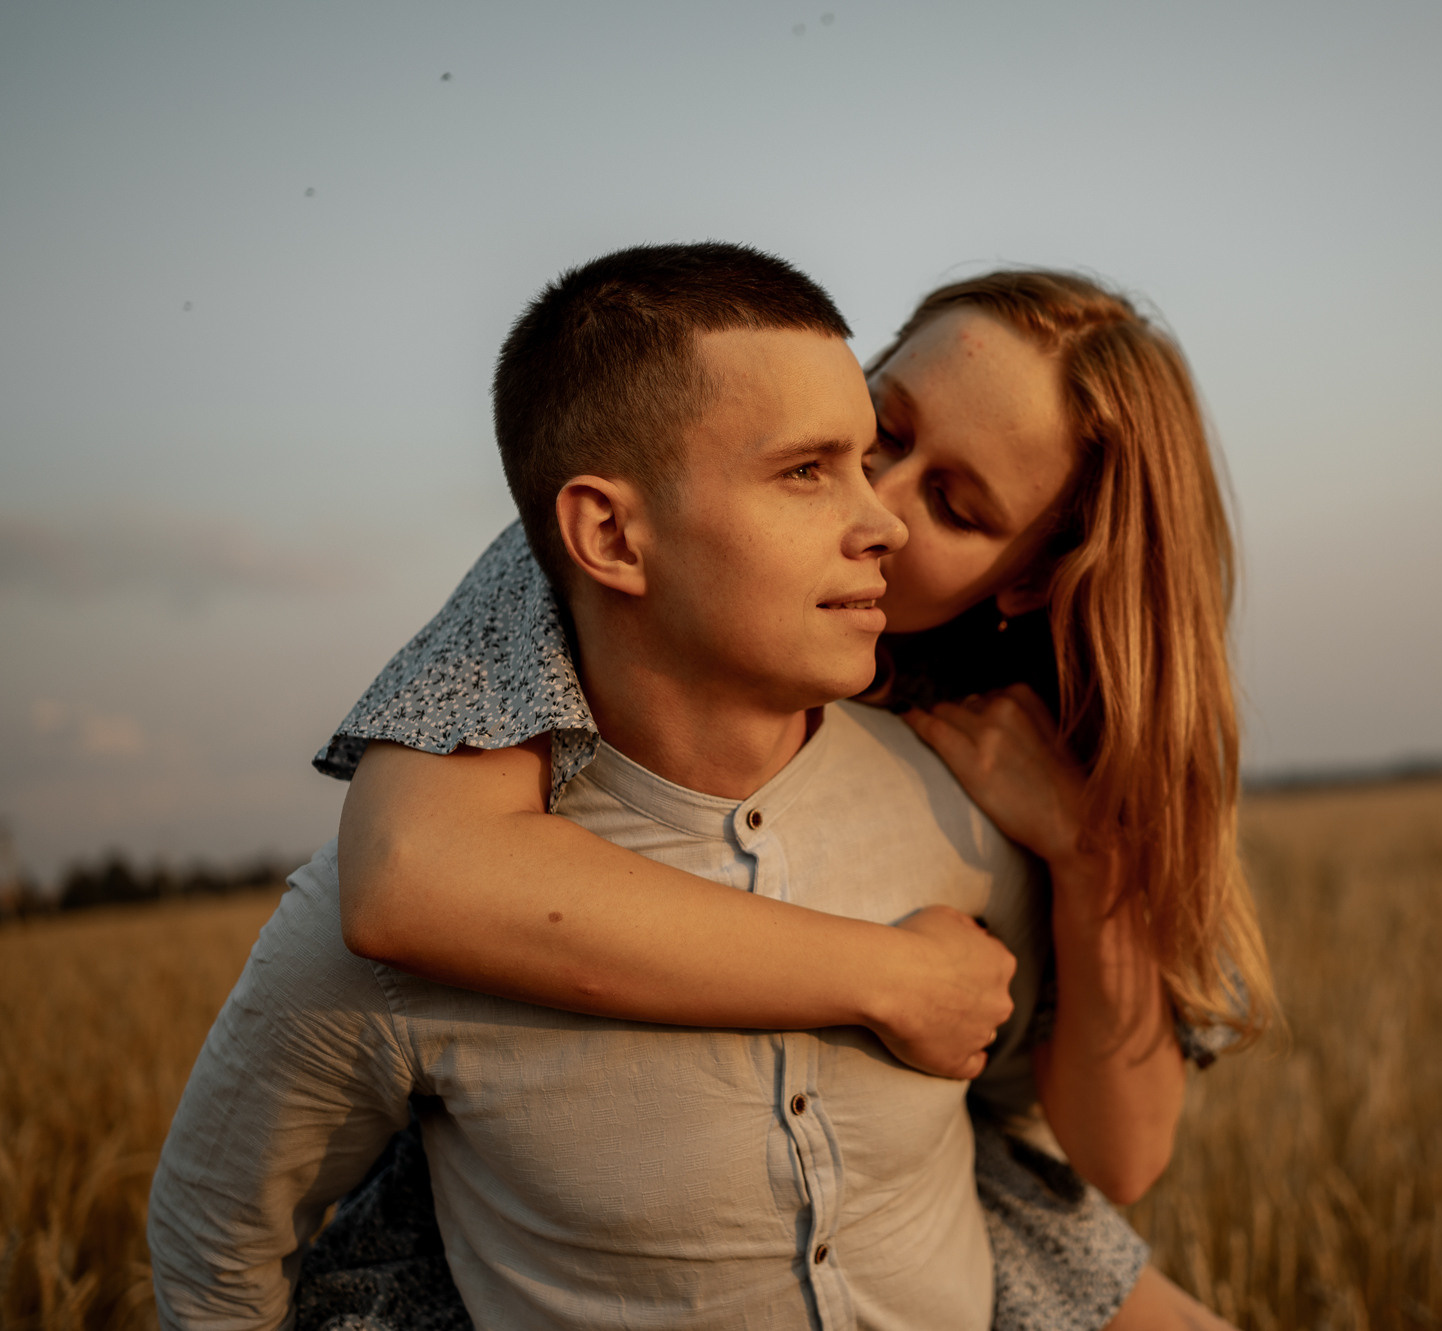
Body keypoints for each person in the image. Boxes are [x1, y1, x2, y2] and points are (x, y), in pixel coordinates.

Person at [304, 262, 1278, 1329]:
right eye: (883, 427)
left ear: (1032, 579)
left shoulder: (1061, 710)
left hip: (931, 1179)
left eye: (953, 505)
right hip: (559, 1204)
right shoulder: (624, 535)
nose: (879, 506)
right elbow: (412, 874)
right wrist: (894, 977)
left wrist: (1090, 854)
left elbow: (1121, 1154)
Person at [152, 243, 1048, 1330]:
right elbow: (214, 1249)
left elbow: (1033, 1131)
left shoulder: (959, 809)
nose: (884, 522)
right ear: (611, 534)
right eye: (807, 470)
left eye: (868, 460)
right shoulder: (407, 922)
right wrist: (890, 976)